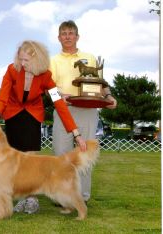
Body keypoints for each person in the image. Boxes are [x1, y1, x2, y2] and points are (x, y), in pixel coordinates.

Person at [0, 40, 86, 213]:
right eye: (21, 59)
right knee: (14, 161)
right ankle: (19, 197)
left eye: (26, 61)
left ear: (37, 59)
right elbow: (3, 95)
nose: (22, 64)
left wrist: (76, 133)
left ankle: (32, 199)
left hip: (32, 115)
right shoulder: (12, 69)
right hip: (13, 114)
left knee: (30, 159)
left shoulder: (46, 76)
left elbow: (59, 105)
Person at [50, 20, 117, 203]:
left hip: (88, 111)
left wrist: (109, 96)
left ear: (77, 37)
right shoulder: (53, 61)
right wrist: (59, 95)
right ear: (59, 38)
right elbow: (48, 87)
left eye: (71, 33)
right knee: (61, 154)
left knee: (84, 153)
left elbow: (101, 83)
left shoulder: (90, 57)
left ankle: (83, 196)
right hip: (63, 110)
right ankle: (60, 197)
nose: (67, 36)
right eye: (64, 33)